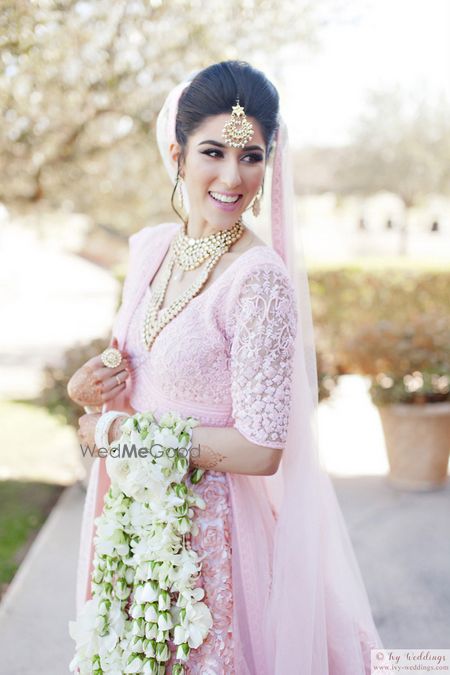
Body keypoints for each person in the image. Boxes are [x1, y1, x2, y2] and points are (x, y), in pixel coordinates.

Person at [69, 60, 383, 674]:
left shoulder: (258, 281)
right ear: (177, 153)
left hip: (213, 539)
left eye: (252, 157)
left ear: (270, 164)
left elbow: (262, 449)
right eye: (213, 151)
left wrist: (121, 438)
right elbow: (134, 364)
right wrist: (89, 389)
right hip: (134, 523)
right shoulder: (153, 248)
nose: (233, 177)